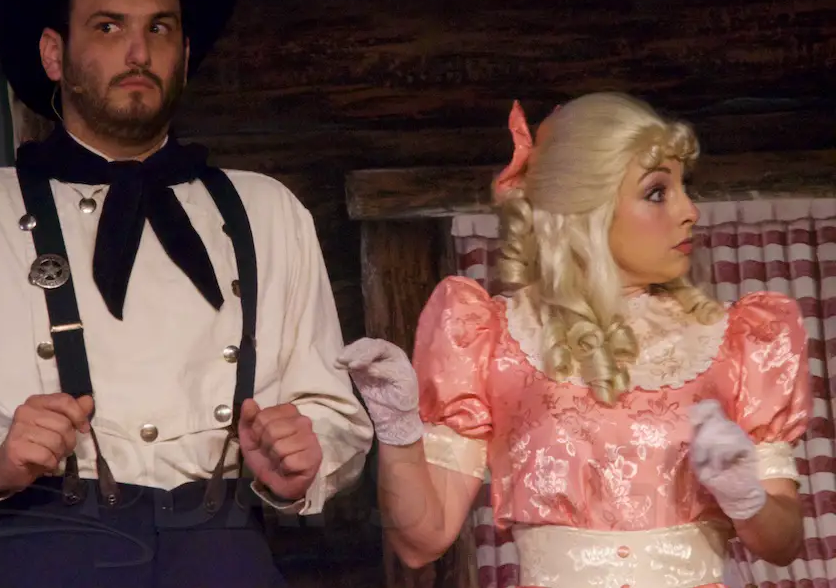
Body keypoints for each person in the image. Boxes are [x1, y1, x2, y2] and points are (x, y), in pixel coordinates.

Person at [0, 0, 372, 588]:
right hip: (34, 550)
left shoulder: (269, 211)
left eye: (160, 28)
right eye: (108, 27)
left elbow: (331, 412)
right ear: (54, 54)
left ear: (185, 53)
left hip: (221, 551)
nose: (138, 52)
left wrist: (306, 457)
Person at [338, 92, 811, 587]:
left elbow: (783, 545)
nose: (690, 210)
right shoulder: (493, 337)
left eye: (683, 188)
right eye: (657, 192)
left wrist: (746, 496)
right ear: (587, 210)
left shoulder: (737, 341)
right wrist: (397, 427)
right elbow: (422, 541)